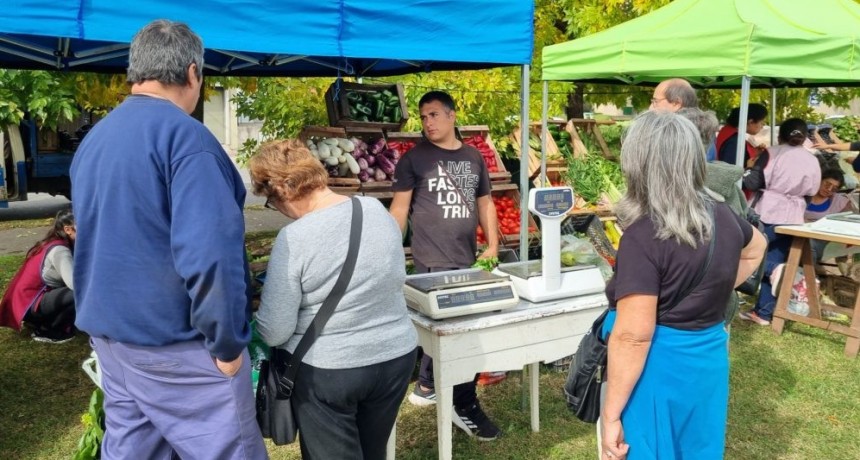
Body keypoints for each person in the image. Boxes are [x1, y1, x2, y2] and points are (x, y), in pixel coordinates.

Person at [69, 20, 267, 459]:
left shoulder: (96, 138)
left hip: (113, 340)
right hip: (176, 348)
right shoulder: (187, 139)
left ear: (134, 72)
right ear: (194, 73)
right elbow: (211, 254)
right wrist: (228, 344)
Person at [600, 111, 766, 460]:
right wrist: (713, 290)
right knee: (698, 449)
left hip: (655, 367)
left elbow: (634, 337)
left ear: (638, 163)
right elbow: (757, 247)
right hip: (708, 358)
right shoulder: (720, 214)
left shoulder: (643, 236)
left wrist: (611, 414)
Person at [250, 139, 418, 459]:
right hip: (396, 357)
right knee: (372, 452)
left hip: (330, 372)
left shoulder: (295, 238)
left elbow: (275, 330)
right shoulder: (374, 209)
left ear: (283, 191)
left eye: (272, 202)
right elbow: (393, 278)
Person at [389, 90, 502, 440]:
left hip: (466, 258)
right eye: (423, 117)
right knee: (454, 332)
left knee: (457, 331)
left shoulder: (473, 157)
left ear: (452, 116)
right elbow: (400, 208)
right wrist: (389, 248)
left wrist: (494, 244)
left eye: (434, 115)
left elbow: (485, 203)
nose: (428, 122)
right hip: (431, 261)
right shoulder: (414, 159)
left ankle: (429, 386)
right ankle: (463, 402)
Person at [738, 118, 821, 327]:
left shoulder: (772, 153)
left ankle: (775, 271)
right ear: (804, 138)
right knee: (777, 256)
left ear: (780, 135)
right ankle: (763, 313)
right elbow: (811, 192)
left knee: (748, 253)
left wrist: (747, 168)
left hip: (768, 211)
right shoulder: (812, 159)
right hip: (795, 215)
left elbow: (753, 181)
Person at [0, 209, 77, 343]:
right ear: (68, 229)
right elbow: (75, 285)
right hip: (31, 304)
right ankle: (49, 331)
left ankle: (41, 322)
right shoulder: (60, 251)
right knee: (79, 294)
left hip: (26, 305)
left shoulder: (53, 241)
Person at [805, 168, 857, 263]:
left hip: (820, 240)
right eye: (827, 184)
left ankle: (808, 275)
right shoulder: (803, 195)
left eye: (834, 188)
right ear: (819, 180)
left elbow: (850, 220)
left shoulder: (839, 201)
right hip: (795, 234)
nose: (829, 189)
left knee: (808, 245)